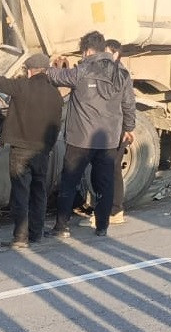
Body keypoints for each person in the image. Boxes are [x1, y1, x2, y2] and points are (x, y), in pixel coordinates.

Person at [0, 53, 63, 248]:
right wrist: (49, 147)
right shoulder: (55, 94)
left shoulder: (22, 86)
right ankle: (37, 233)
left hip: (21, 151)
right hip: (42, 151)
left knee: (20, 192)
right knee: (39, 191)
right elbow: (57, 124)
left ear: (30, 70)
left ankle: (20, 237)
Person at [45, 31, 135, 238]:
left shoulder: (82, 70)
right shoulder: (121, 73)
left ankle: (61, 227)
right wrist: (128, 128)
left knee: (69, 181)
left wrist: (48, 67)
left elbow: (56, 76)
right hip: (108, 140)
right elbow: (129, 104)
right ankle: (102, 227)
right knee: (105, 183)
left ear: (86, 50)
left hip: (80, 139)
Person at [82, 38, 133, 228]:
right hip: (108, 128)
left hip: (116, 128)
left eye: (108, 52)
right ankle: (107, 210)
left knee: (111, 170)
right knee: (106, 170)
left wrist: (128, 127)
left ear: (117, 54)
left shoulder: (120, 74)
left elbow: (128, 104)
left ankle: (115, 210)